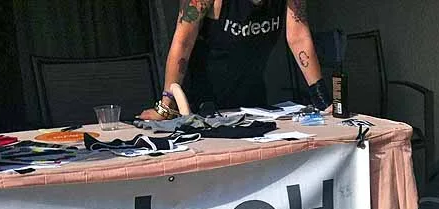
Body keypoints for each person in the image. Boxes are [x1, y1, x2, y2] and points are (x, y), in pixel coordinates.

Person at [140, 0, 329, 120]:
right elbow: (183, 42)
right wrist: (166, 106)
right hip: (203, 104)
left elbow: (299, 37)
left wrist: (322, 99)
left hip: (253, 103)